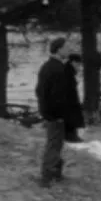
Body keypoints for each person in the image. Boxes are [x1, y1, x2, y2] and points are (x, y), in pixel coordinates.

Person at [36, 38, 72, 187]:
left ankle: (56, 173)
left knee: (57, 143)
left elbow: (39, 91)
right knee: (54, 143)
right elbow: (56, 95)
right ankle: (47, 176)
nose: (69, 50)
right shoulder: (57, 69)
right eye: (67, 47)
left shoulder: (48, 66)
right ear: (58, 49)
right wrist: (57, 114)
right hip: (56, 114)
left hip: (51, 113)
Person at [63, 53, 86, 143]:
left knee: (72, 118)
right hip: (68, 103)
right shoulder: (67, 72)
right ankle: (70, 136)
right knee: (71, 118)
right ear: (73, 62)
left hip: (70, 102)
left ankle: (72, 135)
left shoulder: (69, 72)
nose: (79, 67)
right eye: (79, 64)